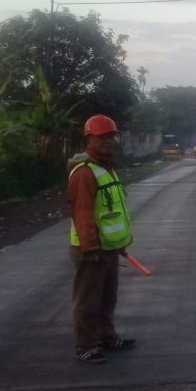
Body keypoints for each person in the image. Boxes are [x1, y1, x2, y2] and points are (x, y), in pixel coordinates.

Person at [67, 115, 137, 364]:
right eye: (102, 137)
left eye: (111, 136)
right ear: (89, 139)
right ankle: (85, 345)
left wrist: (117, 244)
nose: (108, 141)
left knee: (108, 297)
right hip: (91, 248)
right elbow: (82, 212)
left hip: (108, 247)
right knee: (88, 299)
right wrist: (89, 246)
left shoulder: (106, 168)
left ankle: (107, 336)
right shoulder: (85, 173)